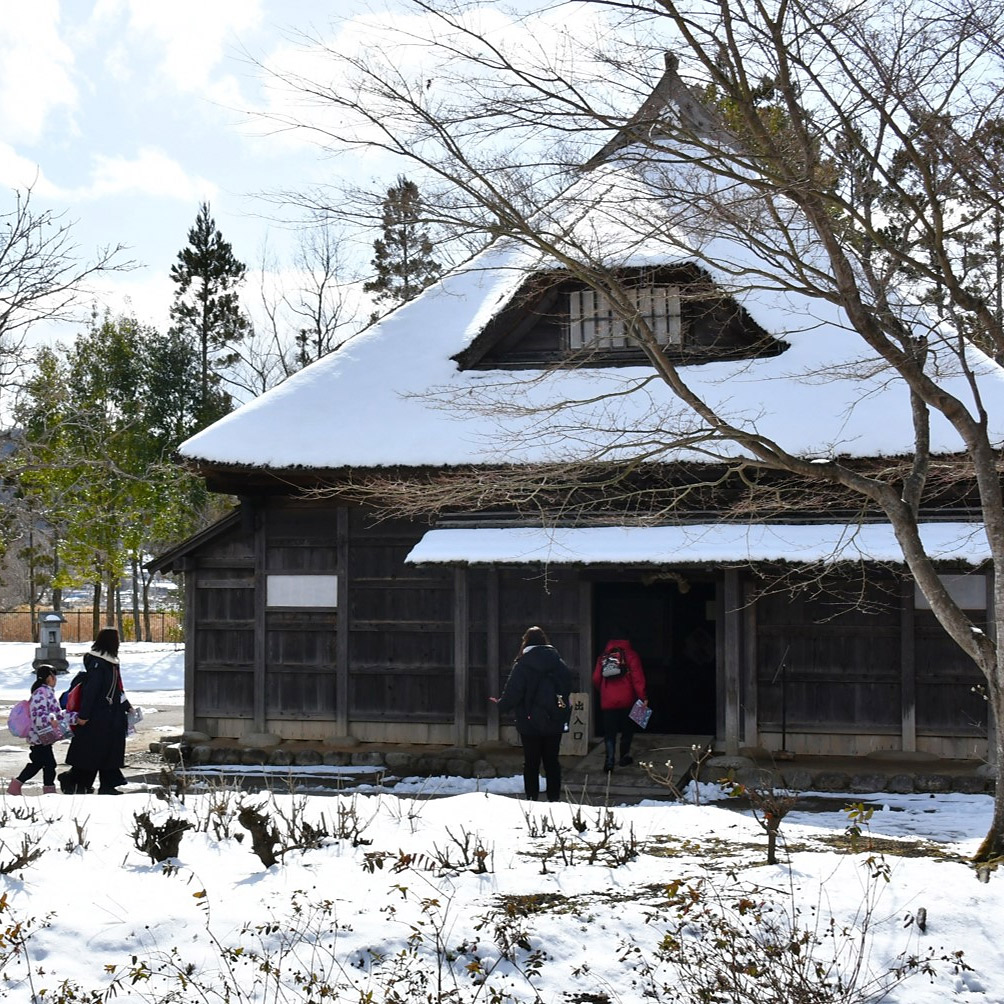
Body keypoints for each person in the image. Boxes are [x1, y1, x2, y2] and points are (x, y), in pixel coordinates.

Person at [491, 625, 573, 802]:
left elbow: (513, 692)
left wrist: (500, 705)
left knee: (531, 763)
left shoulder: (523, 664)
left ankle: (531, 799)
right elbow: (568, 687)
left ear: (526, 642)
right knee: (552, 761)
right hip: (554, 719)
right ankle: (554, 800)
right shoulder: (558, 663)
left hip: (529, 720)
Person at [59, 627, 131, 795]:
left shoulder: (108, 662)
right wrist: (84, 716)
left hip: (109, 716)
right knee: (94, 753)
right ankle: (77, 781)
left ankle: (103, 784)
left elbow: (117, 689)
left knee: (103, 751)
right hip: (98, 717)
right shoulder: (99, 664)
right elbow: (91, 692)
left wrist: (127, 705)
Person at [6, 664, 76, 795]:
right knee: (49, 765)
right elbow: (38, 715)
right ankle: (48, 791)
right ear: (48, 677)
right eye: (53, 675)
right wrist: (51, 719)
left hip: (42, 737)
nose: (55, 679)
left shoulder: (46, 692)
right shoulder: (41, 693)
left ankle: (17, 786)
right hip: (39, 737)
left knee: (39, 763)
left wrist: (75, 718)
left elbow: (58, 714)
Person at [593, 630, 648, 771]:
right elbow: (638, 679)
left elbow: (596, 678)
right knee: (627, 729)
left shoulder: (603, 656)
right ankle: (624, 757)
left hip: (608, 700)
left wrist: (604, 692)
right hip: (627, 699)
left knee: (609, 732)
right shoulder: (631, 655)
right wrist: (643, 698)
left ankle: (609, 761)